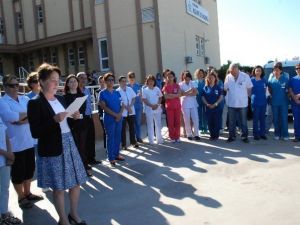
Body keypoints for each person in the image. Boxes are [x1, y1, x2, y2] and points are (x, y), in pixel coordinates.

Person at [27, 63, 88, 225]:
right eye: (53, 80)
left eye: (57, 79)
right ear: (42, 81)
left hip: (69, 142)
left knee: (76, 183)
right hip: (52, 148)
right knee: (59, 188)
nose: (56, 83)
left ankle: (73, 214)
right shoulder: (35, 103)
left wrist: (74, 118)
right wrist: (54, 120)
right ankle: (63, 221)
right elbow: (36, 132)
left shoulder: (61, 98)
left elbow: (66, 124)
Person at [0, 75, 42, 210]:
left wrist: (21, 120)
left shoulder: (24, 98)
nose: (15, 88)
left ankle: (28, 193)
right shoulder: (2, 102)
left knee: (30, 169)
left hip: (29, 141)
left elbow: (34, 115)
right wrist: (23, 117)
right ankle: (21, 197)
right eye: (11, 85)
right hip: (15, 144)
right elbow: (10, 117)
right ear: (4, 87)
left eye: (17, 85)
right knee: (18, 172)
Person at [64, 74, 92, 177]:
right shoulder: (64, 97)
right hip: (70, 126)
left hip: (81, 124)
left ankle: (83, 168)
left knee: (82, 147)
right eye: (70, 81)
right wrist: (72, 116)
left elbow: (83, 112)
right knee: (73, 149)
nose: (73, 83)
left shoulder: (81, 96)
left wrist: (77, 116)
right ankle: (74, 170)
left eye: (74, 81)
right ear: (67, 84)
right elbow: (64, 112)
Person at [99, 73, 125, 166]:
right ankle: (111, 157)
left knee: (118, 136)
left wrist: (120, 114)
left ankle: (117, 154)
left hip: (119, 118)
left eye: (112, 80)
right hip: (109, 119)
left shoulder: (117, 92)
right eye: (109, 80)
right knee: (110, 137)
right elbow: (104, 107)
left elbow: (123, 105)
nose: (111, 81)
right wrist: (115, 115)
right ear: (105, 81)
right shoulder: (102, 93)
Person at [0, 115, 22, 224]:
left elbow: (5, 135)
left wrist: (10, 153)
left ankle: (4, 216)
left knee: (4, 189)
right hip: (4, 156)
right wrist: (7, 154)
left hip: (4, 160)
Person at [224, 63, 253, 143]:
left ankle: (244, 136)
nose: (233, 73)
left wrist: (246, 96)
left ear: (237, 69)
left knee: (243, 121)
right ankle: (231, 136)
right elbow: (225, 88)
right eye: (231, 72)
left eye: (234, 72)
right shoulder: (228, 77)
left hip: (242, 103)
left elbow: (249, 87)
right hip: (231, 103)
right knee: (231, 121)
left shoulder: (245, 76)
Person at [77, 72, 101, 165]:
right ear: (77, 79)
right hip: (81, 118)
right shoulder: (76, 91)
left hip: (89, 116)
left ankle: (92, 158)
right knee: (83, 141)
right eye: (81, 78)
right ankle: (84, 161)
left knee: (91, 138)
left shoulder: (87, 90)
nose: (83, 80)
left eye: (85, 78)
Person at [267, 62, 289, 141]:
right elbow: (268, 90)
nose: (276, 71)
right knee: (275, 119)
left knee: (284, 119)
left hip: (284, 103)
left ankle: (285, 134)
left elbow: (289, 90)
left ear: (280, 71)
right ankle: (277, 134)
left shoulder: (285, 79)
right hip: (274, 103)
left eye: (277, 70)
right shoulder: (271, 81)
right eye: (274, 70)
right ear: (273, 72)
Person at [117, 76, 139, 150]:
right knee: (122, 129)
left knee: (132, 128)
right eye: (122, 81)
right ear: (119, 82)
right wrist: (127, 108)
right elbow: (120, 102)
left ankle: (133, 142)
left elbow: (133, 98)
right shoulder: (117, 91)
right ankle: (124, 144)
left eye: (125, 81)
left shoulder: (129, 89)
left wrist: (130, 106)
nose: (124, 83)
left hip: (131, 111)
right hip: (123, 113)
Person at [202, 71, 223, 140]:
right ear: (207, 79)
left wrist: (215, 104)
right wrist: (207, 104)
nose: (211, 79)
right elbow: (203, 97)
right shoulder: (205, 88)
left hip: (216, 108)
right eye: (209, 78)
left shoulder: (218, 87)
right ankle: (212, 136)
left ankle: (216, 136)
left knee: (216, 122)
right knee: (210, 122)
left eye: (212, 77)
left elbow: (221, 97)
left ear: (215, 78)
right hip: (208, 108)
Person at [142, 75, 163, 144]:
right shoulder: (144, 90)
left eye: (152, 80)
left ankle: (159, 140)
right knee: (150, 125)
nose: (151, 82)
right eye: (149, 81)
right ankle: (151, 140)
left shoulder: (157, 88)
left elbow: (160, 97)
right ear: (147, 82)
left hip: (157, 109)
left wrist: (157, 105)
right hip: (149, 109)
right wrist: (151, 105)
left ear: (154, 81)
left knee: (158, 124)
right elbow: (144, 100)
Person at [179, 71, 200, 141]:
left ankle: (196, 134)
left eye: (188, 78)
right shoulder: (180, 84)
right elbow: (181, 94)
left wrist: (186, 93)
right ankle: (189, 134)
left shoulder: (193, 83)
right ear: (183, 78)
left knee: (195, 119)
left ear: (190, 78)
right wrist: (190, 90)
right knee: (186, 119)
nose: (187, 79)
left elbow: (196, 93)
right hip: (185, 104)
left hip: (193, 103)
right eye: (185, 78)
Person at [162, 71, 181, 143]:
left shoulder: (177, 85)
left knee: (177, 122)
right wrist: (174, 95)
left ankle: (177, 136)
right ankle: (172, 137)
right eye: (168, 77)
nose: (170, 78)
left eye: (171, 76)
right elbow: (166, 96)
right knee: (170, 123)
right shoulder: (165, 86)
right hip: (169, 107)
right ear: (166, 78)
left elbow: (179, 94)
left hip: (177, 107)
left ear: (174, 77)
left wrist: (171, 95)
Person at [251, 65, 267, 140]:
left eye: (259, 71)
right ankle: (256, 134)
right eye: (257, 70)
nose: (258, 72)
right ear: (254, 71)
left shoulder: (264, 80)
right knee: (256, 119)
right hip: (255, 102)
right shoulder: (251, 80)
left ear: (261, 72)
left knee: (262, 118)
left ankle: (262, 134)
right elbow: (248, 91)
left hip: (263, 102)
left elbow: (267, 90)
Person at [127, 72, 143, 143]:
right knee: (131, 124)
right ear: (128, 78)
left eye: (133, 77)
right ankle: (133, 139)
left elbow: (140, 96)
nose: (132, 78)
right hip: (130, 107)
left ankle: (138, 137)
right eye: (130, 77)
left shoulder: (137, 85)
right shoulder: (127, 86)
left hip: (138, 106)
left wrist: (142, 103)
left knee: (138, 122)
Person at [289, 63, 300, 142]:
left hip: (297, 99)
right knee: (296, 120)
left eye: (299, 68)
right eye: (297, 68)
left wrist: (299, 95)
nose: (298, 69)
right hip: (295, 102)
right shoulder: (292, 79)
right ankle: (297, 136)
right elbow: (290, 89)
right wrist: (294, 98)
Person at [194, 69, 208, 134]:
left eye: (201, 73)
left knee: (205, 114)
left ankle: (205, 128)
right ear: (196, 74)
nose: (200, 74)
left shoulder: (206, 81)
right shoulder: (194, 82)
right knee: (198, 114)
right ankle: (200, 128)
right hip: (197, 100)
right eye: (199, 73)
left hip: (205, 100)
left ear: (203, 74)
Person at [96, 76, 107, 149]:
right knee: (105, 130)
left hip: (110, 113)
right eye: (100, 82)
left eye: (103, 82)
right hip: (101, 113)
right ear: (98, 83)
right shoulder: (97, 91)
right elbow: (99, 102)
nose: (102, 83)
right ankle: (106, 147)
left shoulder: (108, 90)